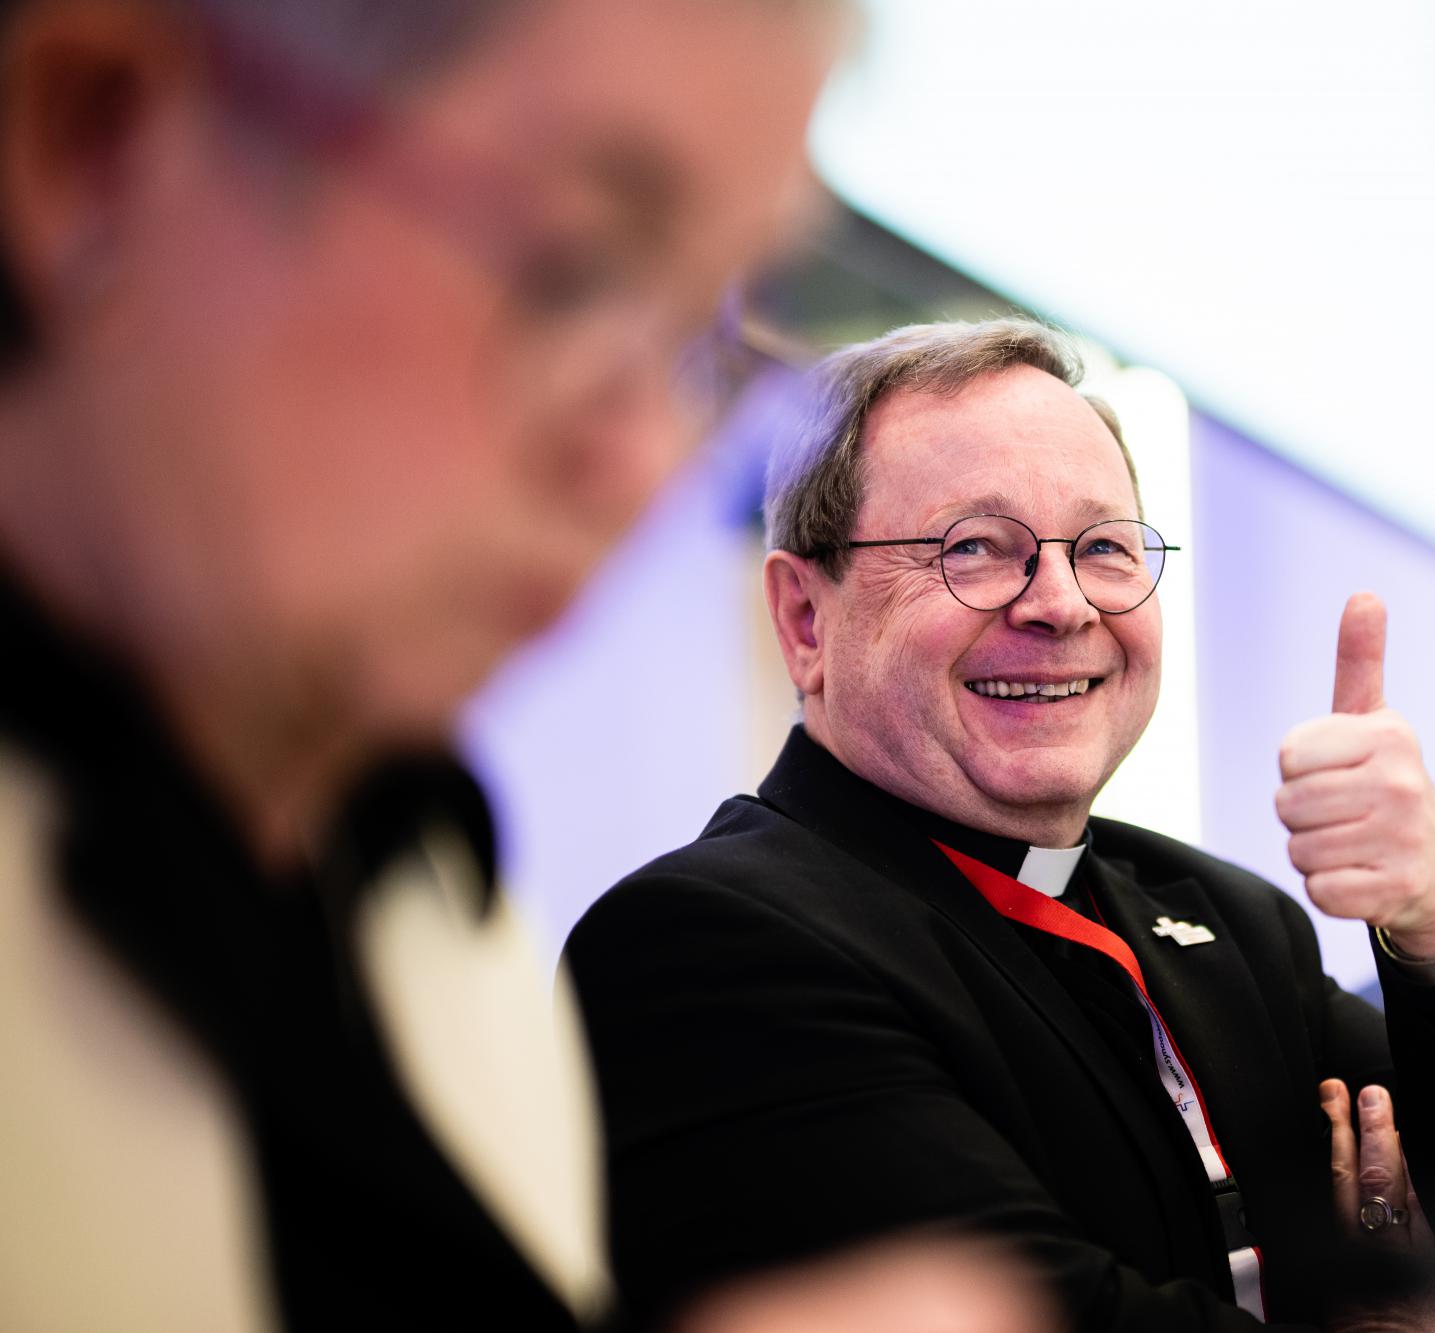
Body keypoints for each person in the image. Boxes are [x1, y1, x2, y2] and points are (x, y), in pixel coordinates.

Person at [0, 1, 855, 1328]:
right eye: (572, 267)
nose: (639, 463)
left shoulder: (443, 920)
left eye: (700, 340)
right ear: (98, 143)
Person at [564, 318, 1435, 1331]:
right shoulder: (708, 945)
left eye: (1103, 547)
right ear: (804, 618)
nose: (1060, 603)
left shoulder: (1229, 923)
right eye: (975, 547)